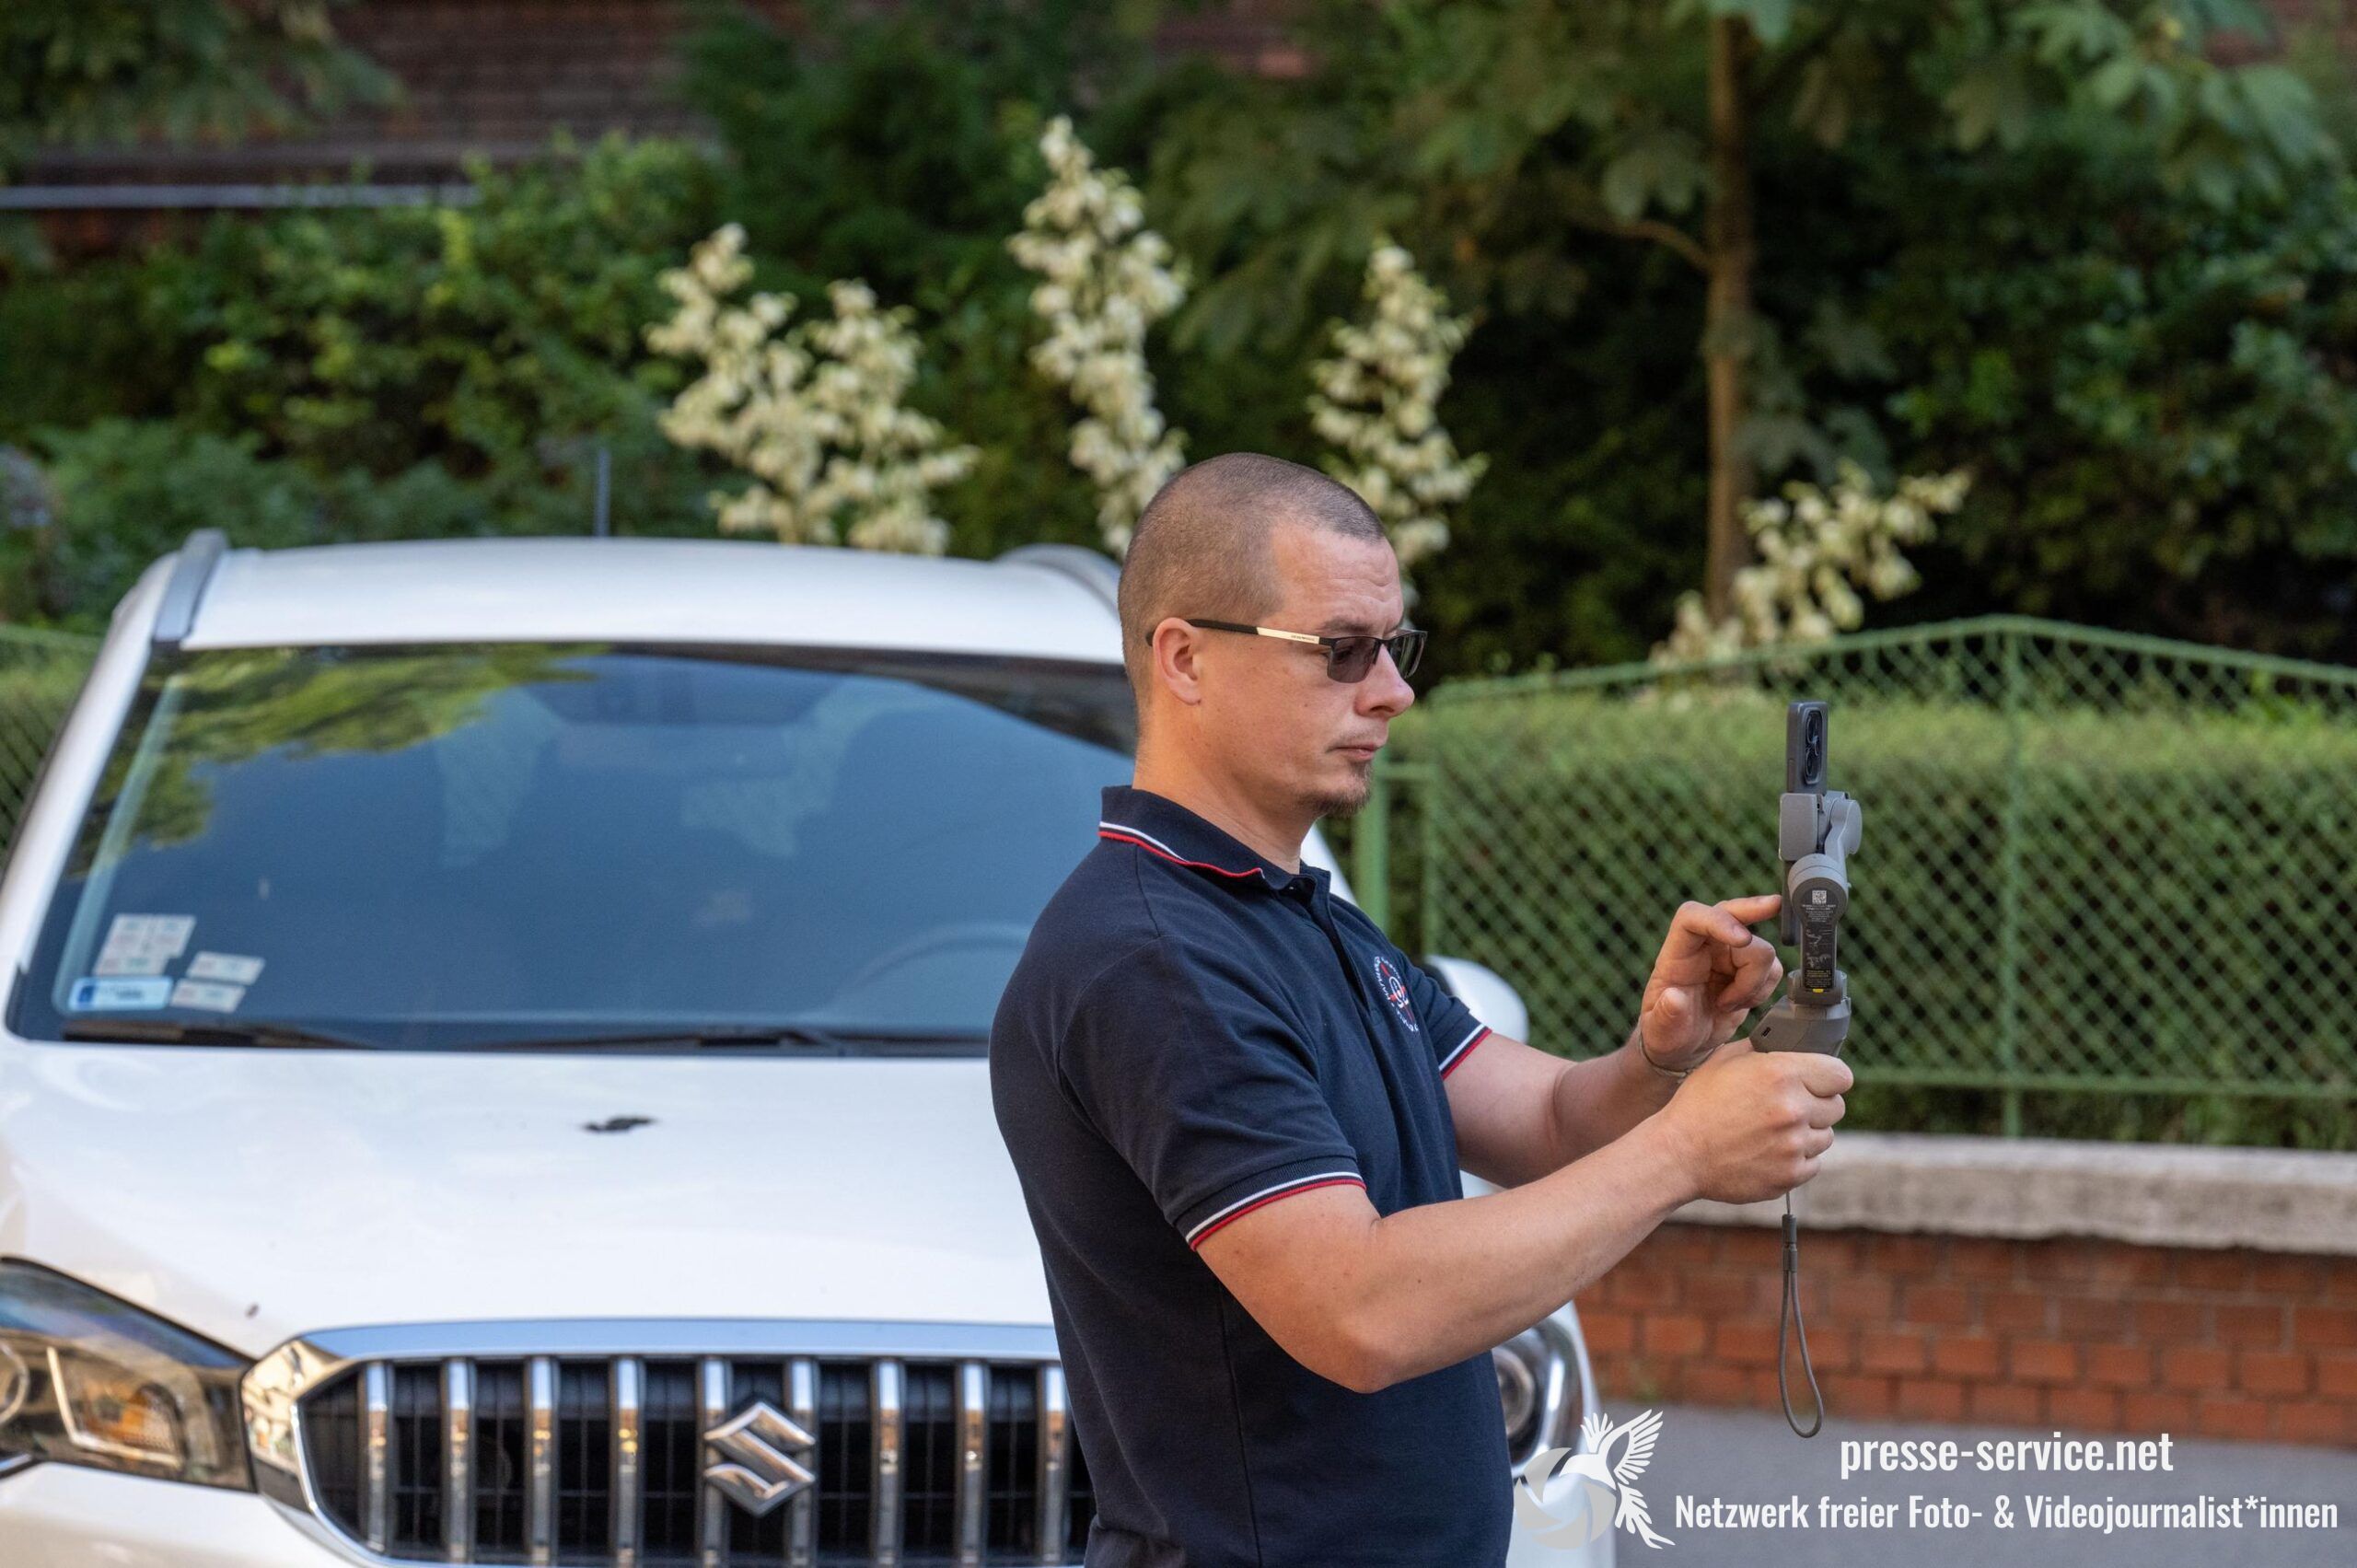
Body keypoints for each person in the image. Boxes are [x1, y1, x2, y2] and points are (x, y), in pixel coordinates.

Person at [989, 452, 1854, 1567]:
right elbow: (1359, 1310)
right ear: (1185, 657)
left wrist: (1659, 1056)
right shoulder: (1155, 958)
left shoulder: (1295, 915)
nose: (1392, 690)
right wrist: (1683, 1150)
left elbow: (1548, 1121)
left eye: (1396, 647)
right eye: (1342, 650)